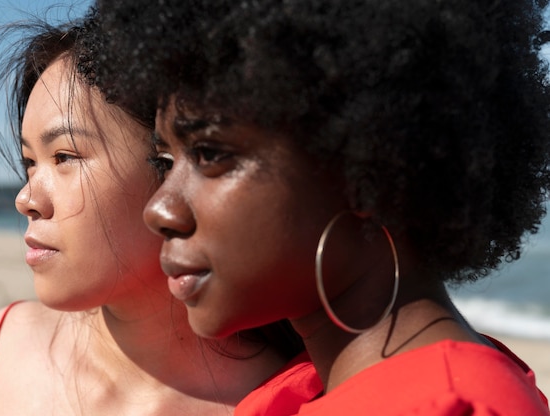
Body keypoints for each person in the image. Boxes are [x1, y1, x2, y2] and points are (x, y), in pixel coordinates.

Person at [95, 0, 550, 414]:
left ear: (369, 165)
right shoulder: (305, 389)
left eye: (211, 154)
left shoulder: (452, 405)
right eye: (165, 161)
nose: (159, 210)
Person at [0, 10, 313, 415]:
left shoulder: (283, 400)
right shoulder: (4, 343)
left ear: (174, 160)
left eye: (64, 156)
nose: (26, 198)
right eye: (30, 162)